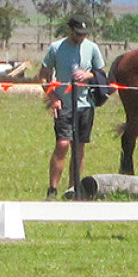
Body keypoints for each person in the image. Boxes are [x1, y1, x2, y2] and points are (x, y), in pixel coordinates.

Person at [39, 17, 105, 200]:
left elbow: (101, 73)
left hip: (85, 105)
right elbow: (43, 76)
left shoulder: (92, 48)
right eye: (78, 34)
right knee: (62, 144)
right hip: (64, 104)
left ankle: (73, 188)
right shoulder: (56, 48)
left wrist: (88, 75)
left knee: (79, 146)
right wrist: (52, 96)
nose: (81, 38)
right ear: (70, 31)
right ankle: (52, 189)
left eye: (84, 35)